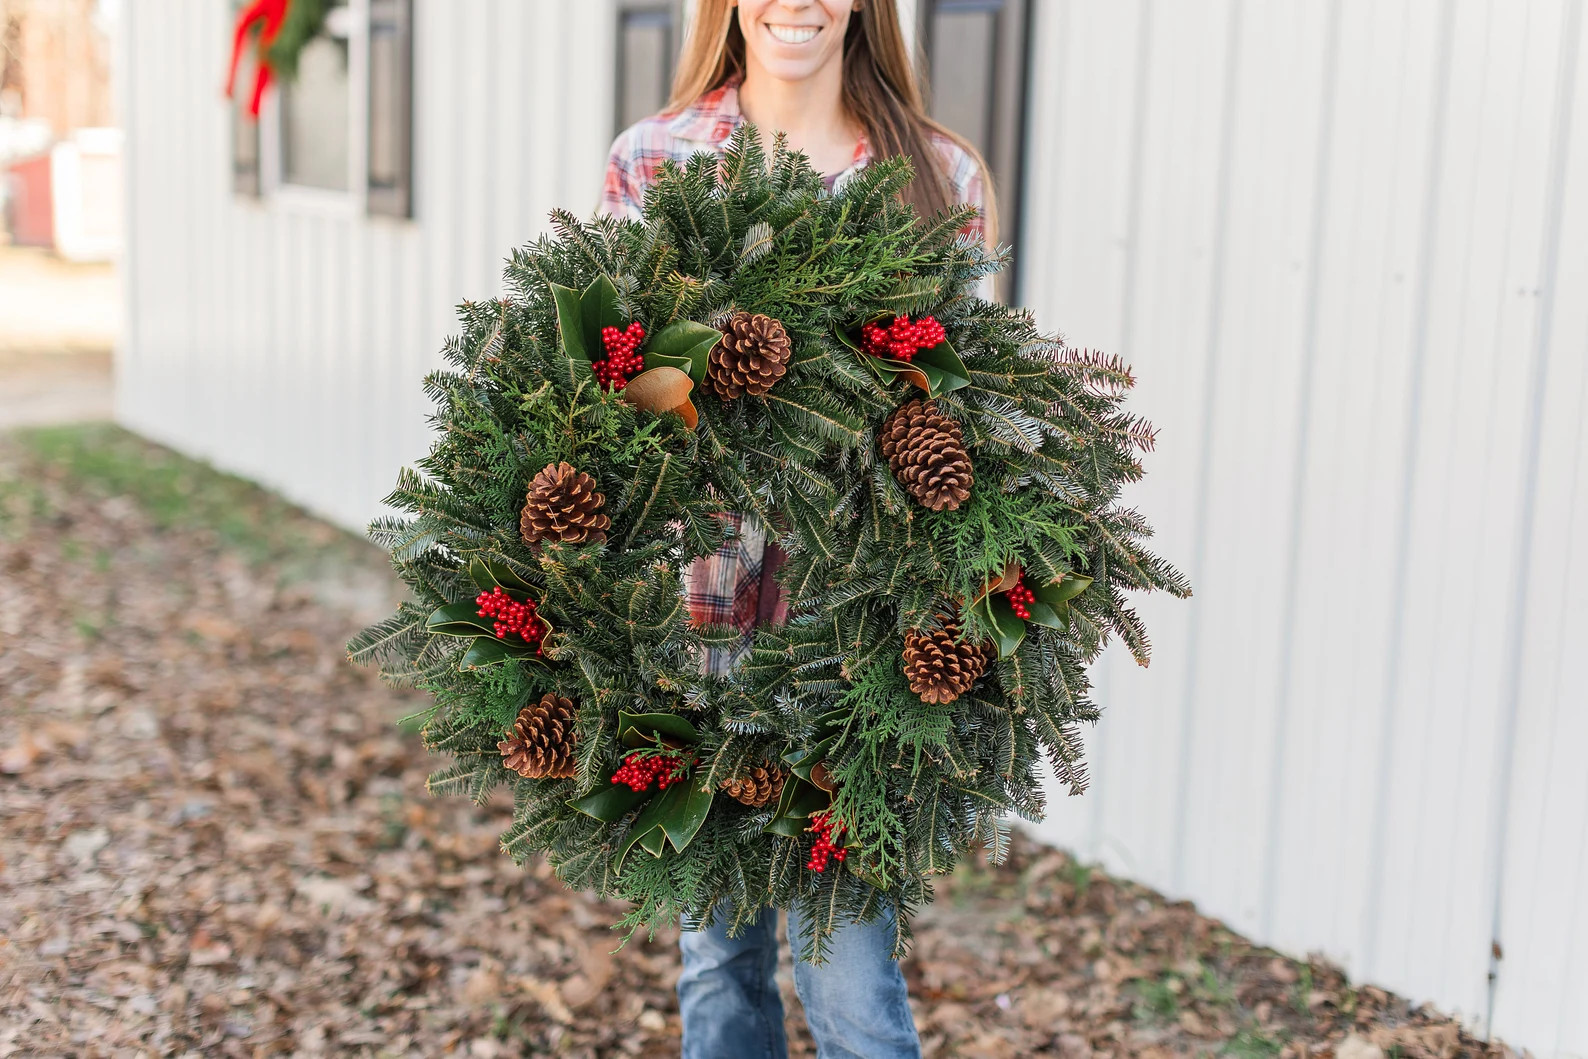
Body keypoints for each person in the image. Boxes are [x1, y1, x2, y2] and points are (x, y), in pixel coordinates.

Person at [597, 2, 995, 1055]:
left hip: (855, 638)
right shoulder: (658, 157)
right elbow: (615, 389)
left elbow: (974, 412)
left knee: (850, 969)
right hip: (697, 623)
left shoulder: (935, 175)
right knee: (717, 958)